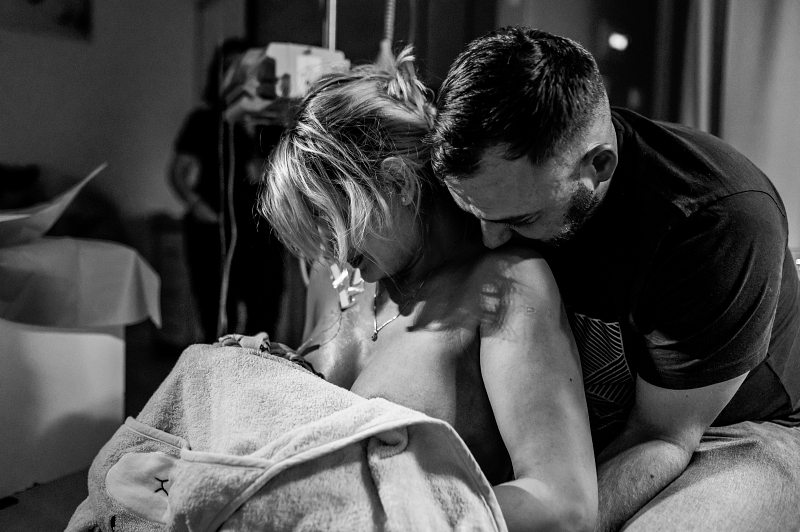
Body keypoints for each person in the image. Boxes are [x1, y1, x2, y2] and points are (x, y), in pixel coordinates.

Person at [431, 26, 800, 532]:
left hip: (734, 426)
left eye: (520, 220)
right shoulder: (508, 185)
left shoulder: (716, 220)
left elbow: (662, 436)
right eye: (474, 213)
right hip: (607, 428)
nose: (490, 242)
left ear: (599, 165)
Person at [258, 48, 598, 532]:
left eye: (334, 222)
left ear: (398, 182)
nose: (331, 251)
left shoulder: (503, 286)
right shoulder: (337, 279)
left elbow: (565, 503)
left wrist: (395, 517)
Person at [168, 38, 284, 343]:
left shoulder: (273, 122)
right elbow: (177, 173)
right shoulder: (204, 121)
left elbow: (293, 172)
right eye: (230, 68)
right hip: (214, 229)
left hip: (262, 230)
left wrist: (268, 169)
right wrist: (197, 205)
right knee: (217, 317)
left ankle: (260, 369)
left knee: (265, 313)